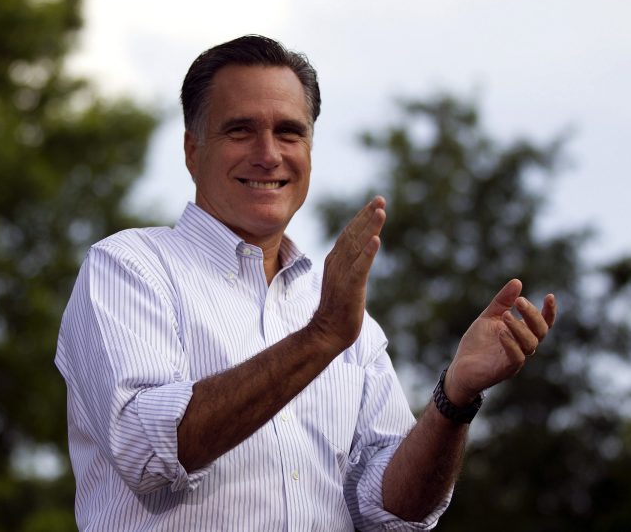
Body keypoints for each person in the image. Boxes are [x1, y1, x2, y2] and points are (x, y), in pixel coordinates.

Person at [55, 35, 557, 531]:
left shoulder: (341, 311)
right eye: (240, 131)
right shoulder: (128, 268)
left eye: (290, 132)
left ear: (310, 151)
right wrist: (320, 338)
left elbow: (394, 512)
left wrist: (456, 395)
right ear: (192, 150)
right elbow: (145, 451)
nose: (268, 154)